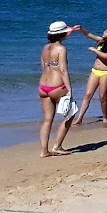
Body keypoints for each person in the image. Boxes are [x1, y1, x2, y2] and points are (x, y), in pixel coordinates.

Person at [38, 21, 77, 158]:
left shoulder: (45, 48)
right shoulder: (61, 49)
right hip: (57, 85)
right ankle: (57, 146)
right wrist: (69, 88)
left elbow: (43, 67)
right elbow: (63, 70)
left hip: (43, 86)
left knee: (47, 119)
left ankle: (44, 151)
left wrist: (73, 29)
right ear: (62, 34)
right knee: (71, 112)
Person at [71, 25, 107, 125]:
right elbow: (89, 35)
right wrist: (81, 29)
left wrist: (95, 50)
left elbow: (106, 56)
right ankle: (79, 118)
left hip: (105, 73)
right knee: (88, 95)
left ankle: (105, 117)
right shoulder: (101, 40)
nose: (104, 31)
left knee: (102, 96)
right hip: (94, 71)